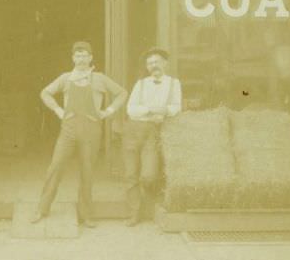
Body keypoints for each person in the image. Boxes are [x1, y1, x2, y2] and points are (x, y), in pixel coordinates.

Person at [30, 41, 127, 228]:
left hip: (91, 130)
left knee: (87, 172)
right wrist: (58, 110)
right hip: (69, 130)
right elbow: (45, 93)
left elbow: (122, 92)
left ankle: (86, 214)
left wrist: (108, 111)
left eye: (84, 55)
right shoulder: (66, 78)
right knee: (55, 167)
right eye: (77, 55)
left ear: (91, 57)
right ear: (72, 58)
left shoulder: (99, 78)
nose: (81, 59)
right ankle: (42, 208)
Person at [122, 47, 182, 226]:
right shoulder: (140, 84)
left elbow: (176, 107)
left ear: (165, 63)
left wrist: (163, 111)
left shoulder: (174, 83)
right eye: (149, 63)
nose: (153, 66)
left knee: (149, 175)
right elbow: (131, 110)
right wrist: (151, 109)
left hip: (153, 132)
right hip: (133, 131)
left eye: (156, 62)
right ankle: (134, 213)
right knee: (131, 174)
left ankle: (149, 206)